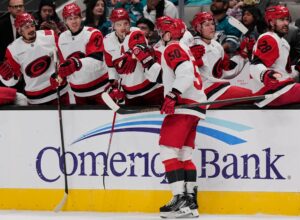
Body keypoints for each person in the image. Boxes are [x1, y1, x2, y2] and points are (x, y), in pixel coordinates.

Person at [157, 17, 206, 218]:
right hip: (194, 106)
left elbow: (184, 73)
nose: (160, 35)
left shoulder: (172, 48)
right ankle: (191, 203)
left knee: (167, 149)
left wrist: (172, 94)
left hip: (183, 105)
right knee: (185, 155)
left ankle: (179, 199)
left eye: (162, 32)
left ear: (169, 33)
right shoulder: (183, 47)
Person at [250, 5, 300, 107]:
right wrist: (266, 75)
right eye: (281, 20)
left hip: (280, 90)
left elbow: (285, 73)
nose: (286, 23)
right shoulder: (269, 38)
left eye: (287, 19)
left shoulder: (283, 42)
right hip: (271, 91)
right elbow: (255, 65)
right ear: (271, 22)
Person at [0, 12, 70, 105]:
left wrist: (62, 72)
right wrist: (6, 78)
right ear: (19, 31)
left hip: (59, 91)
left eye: (32, 25)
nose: (31, 29)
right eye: (26, 27)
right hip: (36, 97)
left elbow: (65, 56)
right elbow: (12, 81)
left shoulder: (49, 35)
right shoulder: (13, 49)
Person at [191, 11, 255, 109]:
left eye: (212, 24)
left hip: (216, 88)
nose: (212, 27)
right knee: (252, 95)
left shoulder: (216, 46)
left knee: (252, 93)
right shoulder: (191, 46)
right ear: (199, 28)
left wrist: (243, 55)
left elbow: (226, 71)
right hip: (203, 93)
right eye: (207, 25)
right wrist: (190, 59)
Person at [103, 8, 163, 106]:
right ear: (113, 26)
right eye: (119, 24)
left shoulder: (136, 32)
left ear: (130, 23)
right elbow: (111, 67)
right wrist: (114, 86)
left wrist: (130, 55)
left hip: (151, 89)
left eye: (126, 23)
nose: (123, 27)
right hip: (130, 94)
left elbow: (139, 48)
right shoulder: (107, 40)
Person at [56, 3, 110, 105]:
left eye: (76, 17)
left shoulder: (93, 33)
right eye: (70, 18)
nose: (73, 21)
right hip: (78, 93)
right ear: (65, 21)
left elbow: (97, 60)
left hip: (100, 89)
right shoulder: (62, 38)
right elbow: (64, 63)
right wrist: (60, 76)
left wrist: (76, 63)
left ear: (81, 18)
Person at [0, 0, 25, 91]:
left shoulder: (31, 22)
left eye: (20, 6)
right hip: (6, 68)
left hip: (25, 66)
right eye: (15, 7)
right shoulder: (1, 24)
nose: (18, 8)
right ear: (9, 9)